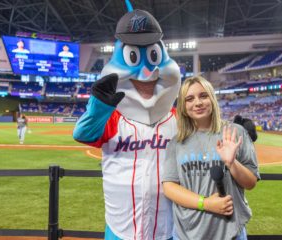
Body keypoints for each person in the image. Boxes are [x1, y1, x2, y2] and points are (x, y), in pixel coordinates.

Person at [73, 7, 181, 240]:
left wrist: (239, 131)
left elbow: (208, 136)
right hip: (121, 228)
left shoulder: (177, 118)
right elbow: (83, 133)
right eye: (133, 57)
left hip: (168, 229)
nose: (146, 71)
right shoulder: (113, 117)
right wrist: (99, 105)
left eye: (153, 58)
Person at [162, 76, 260, 240]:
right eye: (190, 99)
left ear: (212, 98)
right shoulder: (176, 143)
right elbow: (169, 187)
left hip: (231, 232)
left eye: (203, 96)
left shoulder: (236, 132)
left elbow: (250, 183)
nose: (198, 103)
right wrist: (206, 203)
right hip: (186, 233)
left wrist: (232, 163)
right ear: (184, 107)